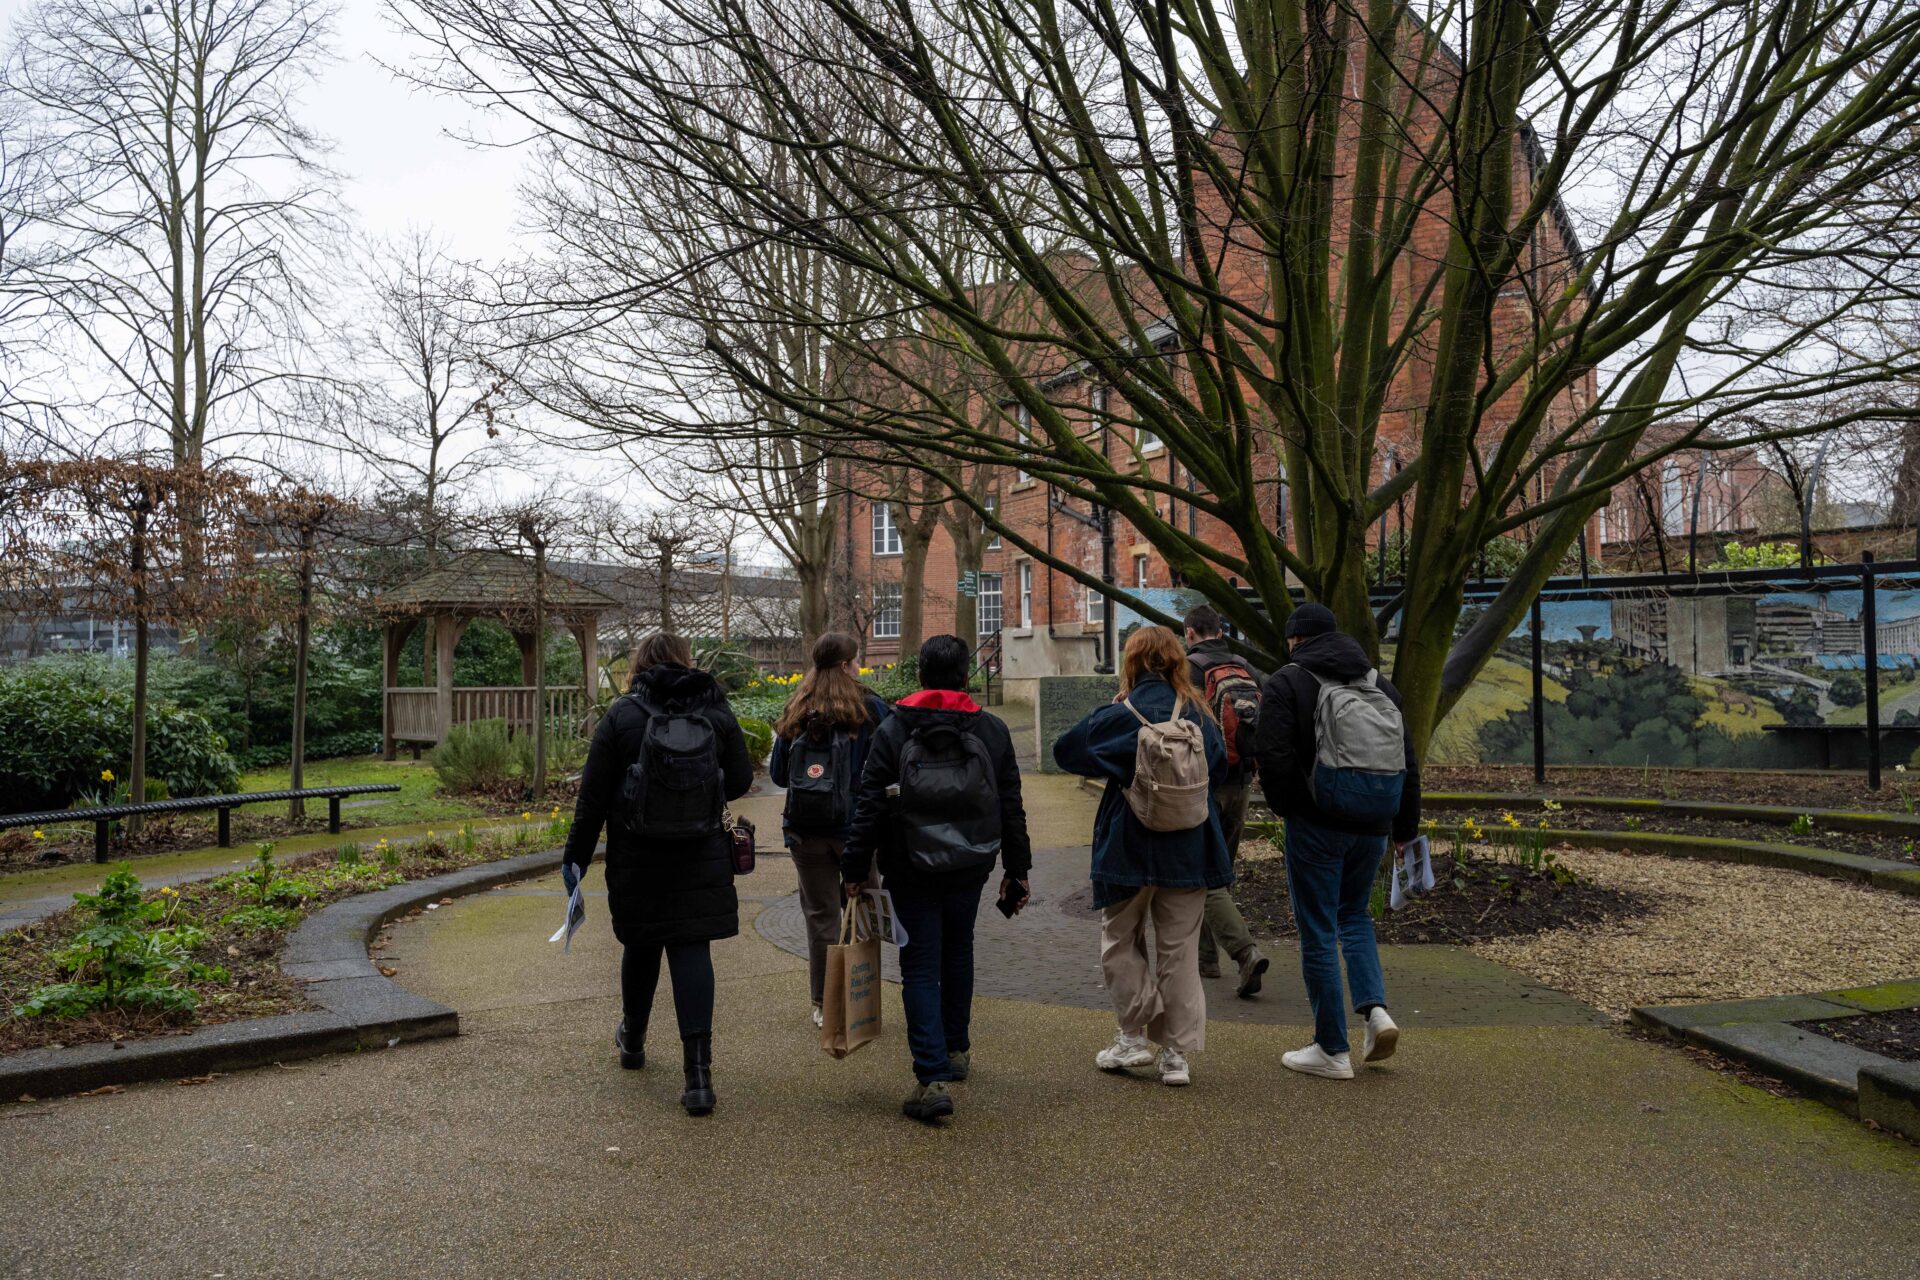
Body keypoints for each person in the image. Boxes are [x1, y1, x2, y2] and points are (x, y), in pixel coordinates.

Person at [563, 632, 754, 1116]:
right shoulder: (714, 710)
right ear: (687, 663)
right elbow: (741, 779)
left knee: (641, 944)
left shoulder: (622, 715)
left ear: (640, 666)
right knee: (691, 950)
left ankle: (634, 1040)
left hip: (638, 855)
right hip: (700, 853)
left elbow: (592, 798)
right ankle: (698, 1079)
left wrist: (576, 862)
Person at [842, 634, 1032, 1123]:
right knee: (959, 950)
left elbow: (868, 806)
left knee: (920, 964)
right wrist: (1018, 868)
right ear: (967, 677)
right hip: (972, 863)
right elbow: (1009, 803)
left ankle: (930, 1078)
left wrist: (854, 869)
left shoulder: (893, 729)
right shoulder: (991, 730)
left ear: (920, 676)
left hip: (909, 864)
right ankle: (957, 1050)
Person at [1053, 624, 1229, 1088]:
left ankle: (1133, 1037)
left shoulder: (1120, 715)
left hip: (1127, 847)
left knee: (1120, 940)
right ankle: (1176, 1056)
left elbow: (1064, 751)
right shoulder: (1197, 713)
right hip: (1188, 849)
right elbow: (1222, 764)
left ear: (1131, 663)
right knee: (1180, 951)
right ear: (1176, 661)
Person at [1252, 602, 1421, 1080]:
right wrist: (1404, 829)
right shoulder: (1379, 685)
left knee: (1318, 929)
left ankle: (1331, 1048)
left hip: (1318, 823)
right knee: (1354, 917)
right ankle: (1375, 1013)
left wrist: (1292, 810)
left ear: (1294, 640)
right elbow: (1408, 762)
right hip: (1373, 822)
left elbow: (1273, 753)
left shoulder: (1288, 681)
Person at [768, 632, 891, 1029]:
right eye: (856, 660)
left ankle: (823, 1005)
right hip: (856, 831)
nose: (859, 666)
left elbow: (778, 775)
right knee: (862, 912)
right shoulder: (870, 709)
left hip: (805, 832)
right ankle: (860, 1000)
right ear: (845, 665)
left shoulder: (797, 708)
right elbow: (888, 770)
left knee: (820, 917)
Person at [1182, 604, 1270, 998]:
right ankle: (1206, 960)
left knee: (1205, 873)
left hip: (1205, 783)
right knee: (1220, 873)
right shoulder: (1245, 667)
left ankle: (1243, 952)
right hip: (1242, 783)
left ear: (1189, 634)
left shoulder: (1188, 670)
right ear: (1220, 630)